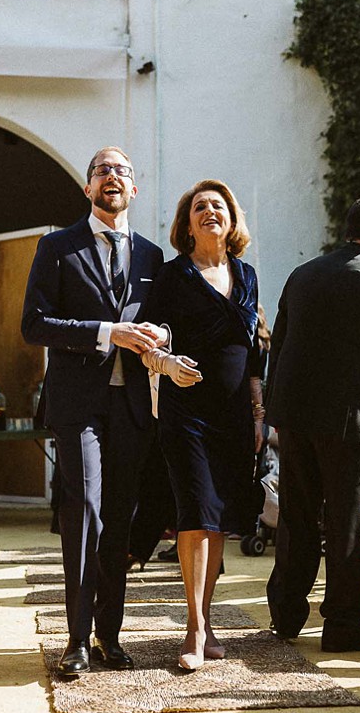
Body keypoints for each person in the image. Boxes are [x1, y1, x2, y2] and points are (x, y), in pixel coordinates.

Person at [20, 145, 166, 680]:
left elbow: (162, 320)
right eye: (102, 170)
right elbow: (34, 324)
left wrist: (160, 336)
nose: (113, 176)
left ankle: (110, 634)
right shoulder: (57, 247)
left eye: (123, 171)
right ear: (88, 188)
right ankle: (76, 640)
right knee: (84, 510)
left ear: (134, 189)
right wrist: (108, 333)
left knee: (119, 521)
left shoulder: (151, 257)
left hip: (132, 405)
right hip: (78, 403)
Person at [264, 194, 360, 653]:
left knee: (296, 516)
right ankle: (343, 624)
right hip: (351, 422)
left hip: (295, 416)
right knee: (346, 523)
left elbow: (281, 344)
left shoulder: (302, 275)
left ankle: (286, 615)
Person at [140, 180, 260, 671]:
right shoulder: (171, 277)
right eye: (199, 207)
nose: (210, 211)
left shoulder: (248, 274)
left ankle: (206, 620)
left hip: (233, 413)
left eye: (219, 205)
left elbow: (255, 350)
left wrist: (258, 411)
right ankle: (192, 629)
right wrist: (165, 364)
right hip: (185, 410)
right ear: (186, 224)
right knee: (195, 512)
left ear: (231, 220)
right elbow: (147, 337)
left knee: (219, 519)